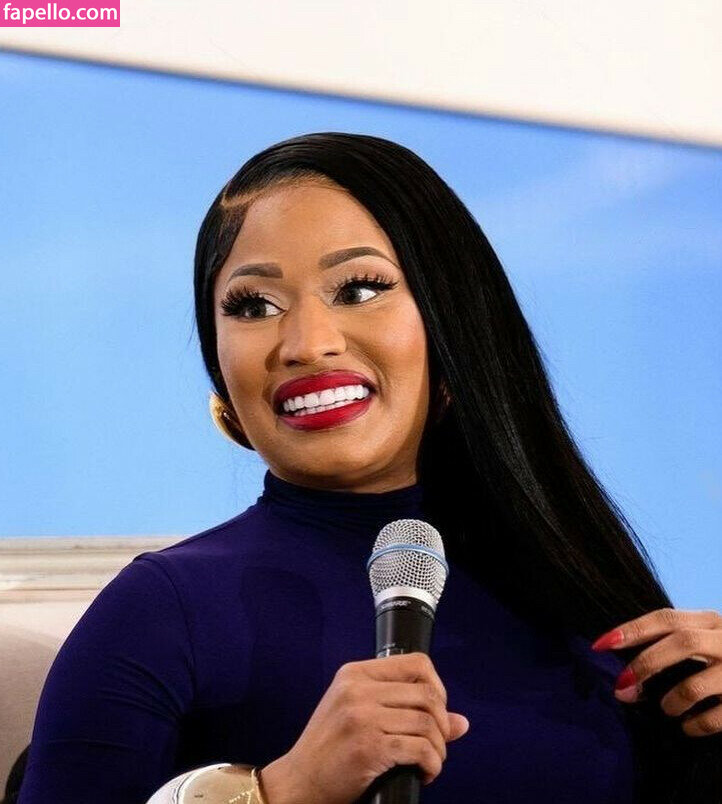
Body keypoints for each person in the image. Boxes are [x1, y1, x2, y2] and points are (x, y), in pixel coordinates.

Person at [16, 133, 722, 804]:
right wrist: (285, 789)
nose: (307, 343)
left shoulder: (583, 594)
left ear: (452, 322)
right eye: (254, 305)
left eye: (357, 290)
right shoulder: (160, 611)